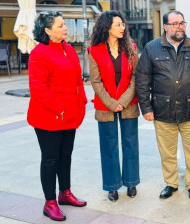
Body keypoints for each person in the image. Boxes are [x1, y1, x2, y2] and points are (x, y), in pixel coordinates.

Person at [135, 10, 190, 201]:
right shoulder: (152, 48)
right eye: (175, 23)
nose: (180, 27)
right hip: (162, 110)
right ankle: (171, 183)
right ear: (165, 27)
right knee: (167, 152)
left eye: (182, 23)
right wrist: (147, 108)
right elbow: (142, 80)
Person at [28, 11, 87, 221]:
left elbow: (78, 80)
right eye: (61, 25)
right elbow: (38, 88)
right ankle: (49, 202)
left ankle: (65, 193)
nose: (65, 28)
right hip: (48, 117)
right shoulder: (39, 53)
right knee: (50, 160)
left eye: (64, 25)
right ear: (48, 31)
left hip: (69, 115)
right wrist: (59, 108)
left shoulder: (69, 49)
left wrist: (82, 102)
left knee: (65, 156)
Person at [88, 11, 140, 202]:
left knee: (130, 144)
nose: (122, 27)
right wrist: (111, 102)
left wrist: (123, 101)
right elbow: (95, 81)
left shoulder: (131, 48)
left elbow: (136, 77)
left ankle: (132, 182)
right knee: (109, 146)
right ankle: (112, 186)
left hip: (129, 104)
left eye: (123, 24)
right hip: (105, 105)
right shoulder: (94, 51)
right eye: (118, 24)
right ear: (107, 26)